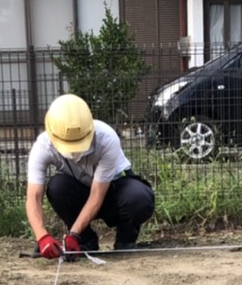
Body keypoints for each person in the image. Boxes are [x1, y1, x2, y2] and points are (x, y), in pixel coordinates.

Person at [27, 94, 155, 260]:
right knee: (57, 186)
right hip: (80, 194)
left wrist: (72, 234)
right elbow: (33, 197)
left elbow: (97, 194)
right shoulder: (42, 146)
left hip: (113, 192)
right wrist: (42, 236)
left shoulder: (107, 139)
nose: (73, 151)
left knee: (139, 197)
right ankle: (86, 241)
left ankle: (125, 240)